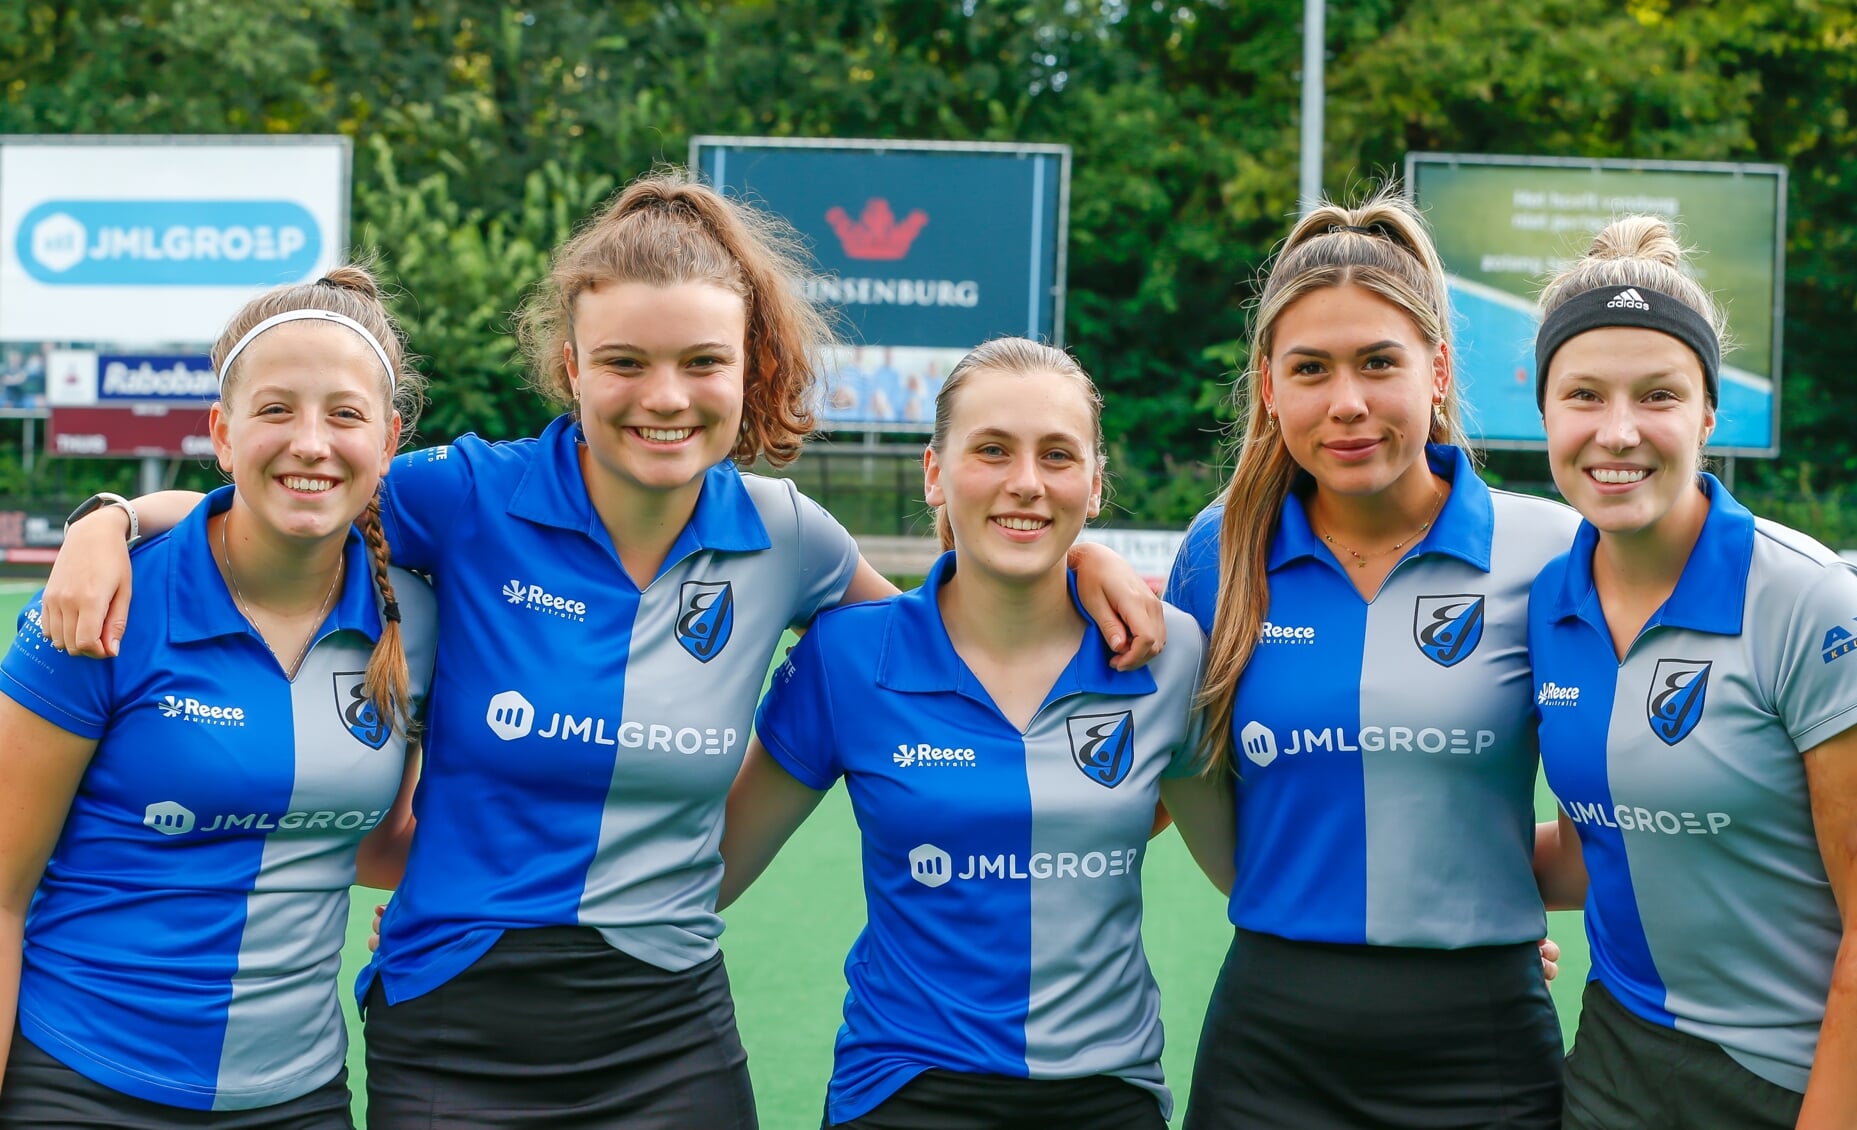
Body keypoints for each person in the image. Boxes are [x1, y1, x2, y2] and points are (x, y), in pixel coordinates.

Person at [42, 171, 1164, 1129]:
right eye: (625, 362)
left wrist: (1081, 564)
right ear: (571, 366)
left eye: (701, 364)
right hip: (457, 1019)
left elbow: (941, 629)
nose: (664, 398)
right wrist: (113, 516)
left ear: (745, 366)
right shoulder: (465, 497)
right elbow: (289, 489)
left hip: (670, 1027)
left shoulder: (786, 538)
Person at [716, 337, 1234, 1130]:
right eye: (992, 449)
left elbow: (1248, 871)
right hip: (902, 1091)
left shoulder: (1168, 656)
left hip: (1107, 1096)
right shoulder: (849, 657)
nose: (1025, 482)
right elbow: (707, 871)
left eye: (1057, 456)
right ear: (935, 471)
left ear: (1095, 485)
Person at [1165, 192, 1577, 1129]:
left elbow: (1625, 795)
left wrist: (1474, 885)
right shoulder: (1218, 552)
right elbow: (1182, 781)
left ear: (1436, 371)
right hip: (1271, 1039)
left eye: (1379, 363)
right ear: (1269, 387)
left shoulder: (1552, 551)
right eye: (1311, 369)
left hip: (1486, 1042)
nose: (1346, 403)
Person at [0, 267, 438, 1127]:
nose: (311, 442)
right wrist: (110, 517)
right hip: (82, 1082)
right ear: (222, 433)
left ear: (387, 442)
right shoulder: (106, 605)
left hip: (299, 1094)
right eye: (276, 410)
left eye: (343, 415)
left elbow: (379, 848)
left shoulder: (416, 620)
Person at [1527, 217, 1857, 1130]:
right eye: (1583, 394)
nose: (1616, 432)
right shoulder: (1546, 601)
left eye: (1656, 396)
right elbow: (1598, 849)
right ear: (1542, 407)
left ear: (1708, 412)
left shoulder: (1810, 600)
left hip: (1811, 1076)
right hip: (1620, 1065)